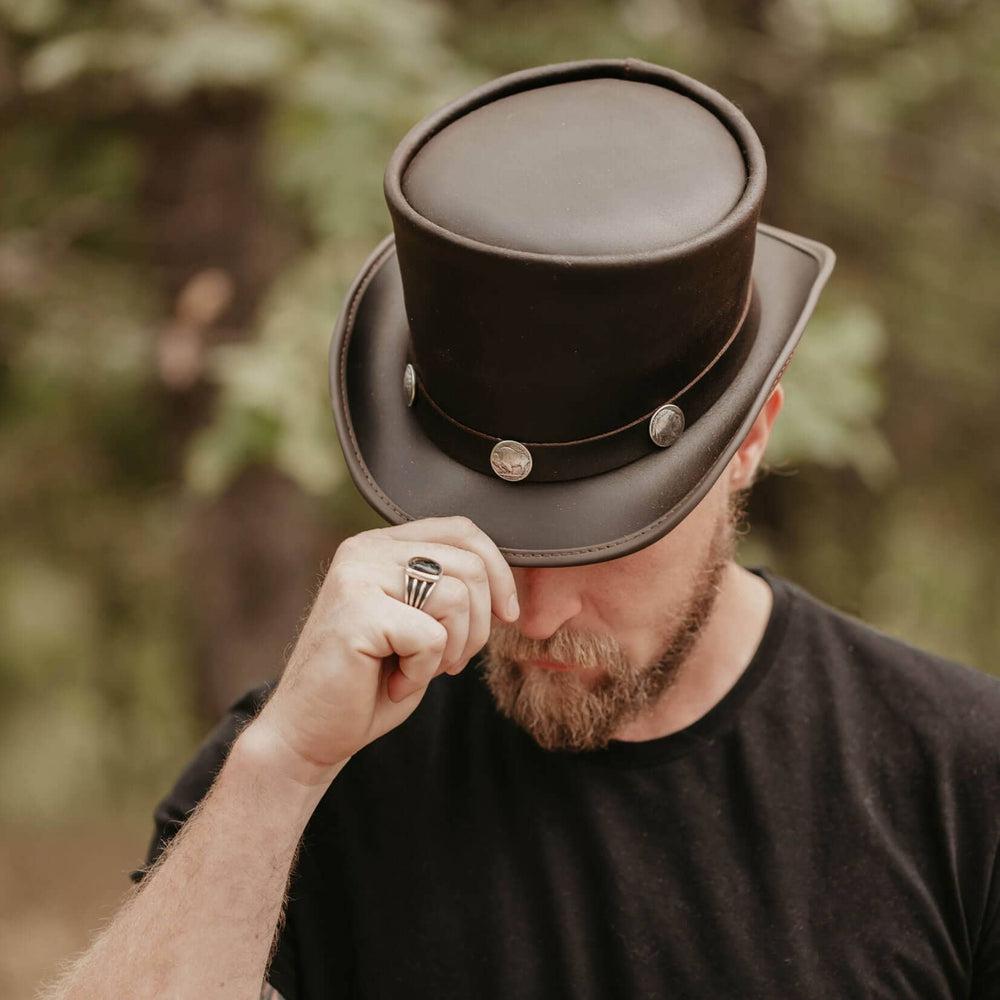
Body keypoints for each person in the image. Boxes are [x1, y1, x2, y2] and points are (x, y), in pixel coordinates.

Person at [41, 58, 999, 999]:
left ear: (749, 441)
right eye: (491, 530)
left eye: (608, 533)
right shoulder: (305, 767)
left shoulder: (957, 776)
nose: (532, 610)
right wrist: (280, 772)